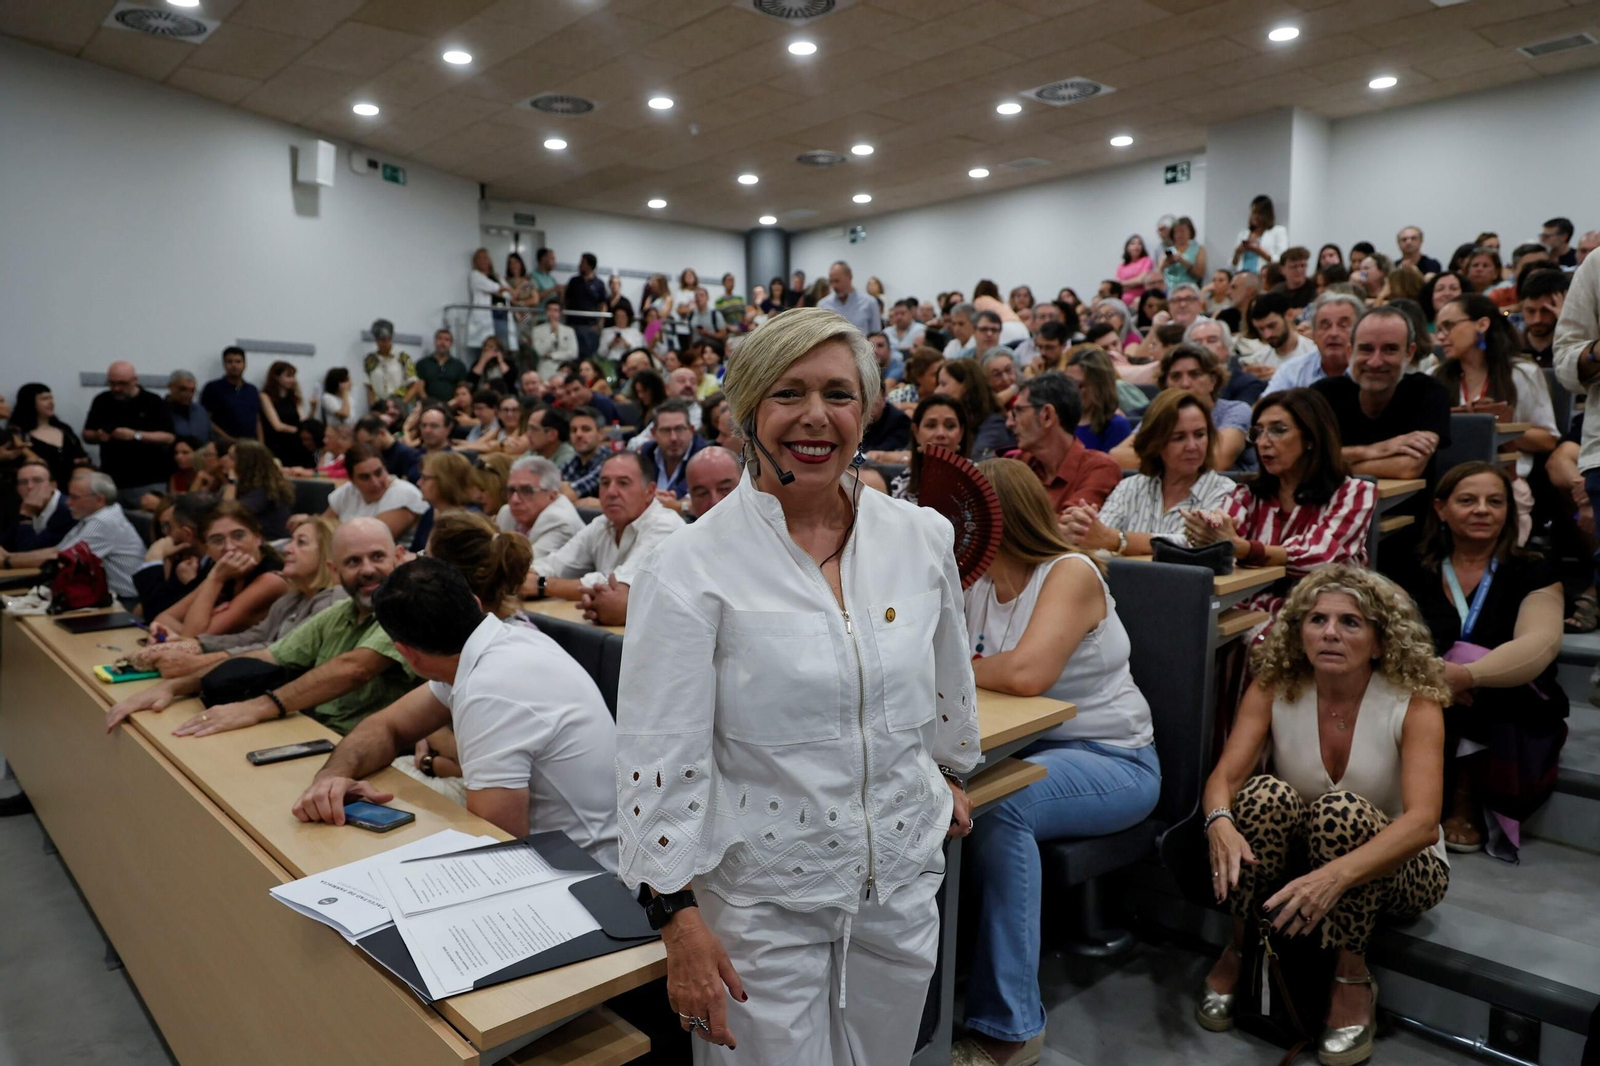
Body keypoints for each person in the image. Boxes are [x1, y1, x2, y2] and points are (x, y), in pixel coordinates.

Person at [613, 306, 979, 1063]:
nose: (816, 417)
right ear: (746, 411)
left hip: (900, 887)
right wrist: (676, 918)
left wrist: (944, 773)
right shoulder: (688, 566)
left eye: (839, 395)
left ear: (868, 410)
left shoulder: (920, 538)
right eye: (789, 393)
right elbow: (657, 749)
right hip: (760, 902)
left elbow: (946, 681)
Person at [1196, 566, 1448, 1066]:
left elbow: (1421, 823)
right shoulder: (1274, 687)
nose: (1330, 632)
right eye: (1317, 620)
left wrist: (1334, 876)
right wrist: (1219, 821)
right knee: (1264, 796)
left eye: (1350, 622)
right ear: (1300, 633)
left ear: (1379, 642)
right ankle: (1239, 947)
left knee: (1343, 811)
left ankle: (1351, 974)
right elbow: (1223, 777)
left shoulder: (1414, 701)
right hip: (1306, 863)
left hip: (1403, 870)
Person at [953, 457, 1160, 1066]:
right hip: (1027, 746)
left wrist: (950, 672)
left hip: (1114, 760)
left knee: (1001, 808)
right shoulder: (980, 583)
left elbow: (1026, 673)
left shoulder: (1069, 572)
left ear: (997, 518)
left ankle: (1011, 1027)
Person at [290, 554, 618, 864]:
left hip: (589, 883)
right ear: (473, 604)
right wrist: (332, 778)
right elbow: (387, 726)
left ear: (407, 653)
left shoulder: (489, 691)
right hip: (567, 856)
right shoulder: (495, 643)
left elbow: (497, 847)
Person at [1392, 462, 1567, 861]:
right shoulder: (1410, 564)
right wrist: (1436, 677)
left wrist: (1467, 675)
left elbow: (1540, 641)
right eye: (1467, 500)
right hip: (1425, 686)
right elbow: (1391, 633)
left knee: (1480, 671)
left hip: (1509, 697)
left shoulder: (1533, 568)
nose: (1483, 510)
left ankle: (1464, 801)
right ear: (1440, 508)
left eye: (1495, 502)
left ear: (1509, 511)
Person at [105, 518, 416, 739]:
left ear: (399, 556)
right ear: (335, 570)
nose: (368, 570)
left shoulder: (405, 608)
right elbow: (265, 655)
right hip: (308, 731)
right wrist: (172, 687)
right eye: (353, 561)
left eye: (377, 557)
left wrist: (255, 708)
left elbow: (354, 668)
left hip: (360, 748)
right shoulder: (338, 612)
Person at [1187, 389, 1377, 615]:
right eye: (1258, 432)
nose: (1263, 442)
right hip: (1255, 614)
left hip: (1322, 618)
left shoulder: (1354, 493)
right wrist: (1208, 531)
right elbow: (1224, 544)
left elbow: (1322, 558)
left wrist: (1244, 549)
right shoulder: (1245, 495)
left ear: (1310, 438)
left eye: (1278, 430)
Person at [127, 517, 346, 679]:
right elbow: (251, 637)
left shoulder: (329, 599)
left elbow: (274, 651)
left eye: (301, 542)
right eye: (217, 540)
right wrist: (185, 645)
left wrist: (193, 654)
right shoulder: (293, 597)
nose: (288, 549)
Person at [1436, 293, 1559, 541]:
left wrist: (1495, 429)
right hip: (1447, 483)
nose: (1441, 336)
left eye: (1449, 326)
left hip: (1505, 483)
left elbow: (1547, 439)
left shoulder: (1521, 374)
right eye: (1438, 329)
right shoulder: (1434, 376)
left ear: (1481, 324)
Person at [1064, 390, 1237, 556]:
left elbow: (1193, 547)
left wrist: (1116, 540)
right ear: (1156, 443)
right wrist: (1083, 527)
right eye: (1178, 437)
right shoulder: (1130, 487)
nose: (1192, 446)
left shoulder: (1227, 491)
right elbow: (1098, 537)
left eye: (1200, 435)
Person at [1313, 306, 1452, 486]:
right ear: (1350, 352)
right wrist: (1374, 451)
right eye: (1366, 349)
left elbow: (1407, 467)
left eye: (1390, 349)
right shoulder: (1323, 394)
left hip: (1400, 511)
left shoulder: (1428, 391)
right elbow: (1300, 459)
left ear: (1409, 353)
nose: (1375, 362)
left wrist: (1329, 465)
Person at [529, 451, 684, 601]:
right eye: (605, 483)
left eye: (623, 483)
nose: (611, 492)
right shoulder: (602, 523)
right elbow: (556, 564)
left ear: (649, 491)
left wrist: (542, 585)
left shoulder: (664, 525)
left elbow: (619, 588)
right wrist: (529, 575)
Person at [149, 502, 285, 639]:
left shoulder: (272, 580)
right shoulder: (223, 571)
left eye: (238, 536)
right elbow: (162, 618)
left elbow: (193, 639)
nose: (229, 547)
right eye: (217, 540)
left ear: (258, 538)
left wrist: (215, 580)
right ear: (207, 549)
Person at [1, 471, 144, 601]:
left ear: (99, 499)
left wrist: (8, 561)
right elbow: (56, 550)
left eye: (74, 497)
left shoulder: (104, 521)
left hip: (126, 601)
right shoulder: (92, 516)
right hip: (105, 596)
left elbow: (61, 558)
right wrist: (9, 556)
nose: (68, 502)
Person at [1008, 371, 1121, 511]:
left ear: (1047, 416)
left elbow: (1072, 527)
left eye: (1018, 411)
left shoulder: (1100, 468)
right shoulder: (1020, 464)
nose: (1010, 423)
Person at [83, 360, 176, 503]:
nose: (116, 388)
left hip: (148, 479)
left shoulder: (153, 401)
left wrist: (135, 435)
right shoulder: (102, 401)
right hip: (112, 479)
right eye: (112, 383)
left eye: (122, 383)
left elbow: (168, 437)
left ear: (134, 380)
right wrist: (98, 436)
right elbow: (87, 434)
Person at [129, 493, 212, 620]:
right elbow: (145, 610)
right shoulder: (181, 561)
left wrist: (154, 558)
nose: (165, 533)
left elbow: (156, 615)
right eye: (162, 526)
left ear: (187, 533)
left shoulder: (212, 566)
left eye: (169, 526)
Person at [1264, 292, 1366, 394]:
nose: (1333, 333)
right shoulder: (1291, 372)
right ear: (1313, 334)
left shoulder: (1371, 370)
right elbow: (1265, 407)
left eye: (1343, 325)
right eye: (1325, 326)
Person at [323, 443, 428, 541]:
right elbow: (322, 528)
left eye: (378, 473)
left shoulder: (404, 494)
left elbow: (369, 540)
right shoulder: (347, 491)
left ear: (385, 468)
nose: (375, 483)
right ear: (352, 479)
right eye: (365, 477)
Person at [887, 395, 969, 504]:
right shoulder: (899, 489)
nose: (941, 434)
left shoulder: (981, 480)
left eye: (950, 426)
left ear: (961, 433)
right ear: (916, 432)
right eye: (931, 426)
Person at [497, 453, 584, 555]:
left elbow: (526, 566)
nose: (515, 499)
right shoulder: (506, 513)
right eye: (511, 490)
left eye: (526, 491)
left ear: (552, 496)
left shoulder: (560, 522)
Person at [9, 383, 89, 488]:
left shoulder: (64, 429)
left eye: (51, 398)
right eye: (44, 399)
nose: (51, 402)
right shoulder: (20, 435)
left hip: (74, 487)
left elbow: (81, 454)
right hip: (40, 490)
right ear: (30, 402)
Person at [937, 358, 1014, 461]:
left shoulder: (994, 423)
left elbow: (975, 462)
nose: (936, 391)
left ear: (965, 386)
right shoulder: (950, 420)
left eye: (943, 384)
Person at [638, 399, 708, 507]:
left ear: (691, 430)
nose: (673, 438)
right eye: (665, 430)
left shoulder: (705, 456)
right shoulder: (647, 453)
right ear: (653, 433)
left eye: (679, 429)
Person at [1063, 347, 1131, 453]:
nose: (1071, 390)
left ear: (1100, 386)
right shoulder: (1060, 422)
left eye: (1078, 385)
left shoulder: (1116, 426)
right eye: (1067, 384)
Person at [411, 451, 480, 551]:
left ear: (445, 481)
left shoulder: (469, 522)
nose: (419, 482)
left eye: (425, 478)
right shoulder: (430, 512)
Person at [1, 460, 74, 554]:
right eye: (23, 482)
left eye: (37, 480)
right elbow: (6, 544)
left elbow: (30, 553)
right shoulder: (16, 506)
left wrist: (26, 517)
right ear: (17, 489)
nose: (30, 486)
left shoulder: (68, 510)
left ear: (53, 486)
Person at [227, 439, 293, 540]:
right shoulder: (246, 485)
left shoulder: (264, 490)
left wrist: (232, 482)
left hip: (271, 545)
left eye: (231, 458)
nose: (224, 460)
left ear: (245, 463)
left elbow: (227, 514)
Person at [1242, 291, 1318, 376]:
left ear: (1289, 315)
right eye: (1261, 329)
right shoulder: (1258, 360)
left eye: (1272, 326)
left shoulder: (1314, 354)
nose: (1267, 335)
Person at [202, 346, 262, 444]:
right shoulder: (213, 388)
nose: (234, 365)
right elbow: (206, 419)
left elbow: (258, 420)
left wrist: (260, 444)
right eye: (229, 361)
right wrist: (229, 439)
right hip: (224, 444)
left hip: (251, 445)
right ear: (224, 364)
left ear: (244, 364)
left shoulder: (252, 389)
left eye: (238, 361)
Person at [258, 360, 312, 468]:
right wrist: (299, 430)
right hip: (277, 444)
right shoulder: (265, 396)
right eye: (288, 376)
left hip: (296, 444)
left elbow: (303, 420)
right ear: (276, 377)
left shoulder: (294, 397)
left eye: (293, 376)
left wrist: (313, 409)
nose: (292, 380)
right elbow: (277, 426)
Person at [363, 318, 420, 409]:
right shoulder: (370, 359)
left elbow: (414, 384)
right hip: (380, 404)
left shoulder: (403, 357)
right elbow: (369, 387)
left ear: (391, 338)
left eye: (385, 339)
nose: (382, 343)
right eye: (379, 339)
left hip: (400, 402)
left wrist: (402, 404)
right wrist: (373, 407)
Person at [817, 259, 882, 335]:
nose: (834, 286)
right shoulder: (823, 305)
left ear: (850, 277)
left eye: (837, 281)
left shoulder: (870, 302)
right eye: (831, 281)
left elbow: (876, 335)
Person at [1519, 269, 1569, 365]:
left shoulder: (1570, 347)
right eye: (1530, 311)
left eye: (1546, 311)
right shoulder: (1510, 347)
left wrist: (1566, 318)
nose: (1538, 319)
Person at [353, 414, 420, 483]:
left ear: (382, 433)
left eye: (370, 443)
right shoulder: (374, 456)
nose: (367, 448)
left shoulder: (409, 455)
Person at [565, 252, 608, 356]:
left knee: (589, 356)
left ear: (590, 265)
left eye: (583, 263)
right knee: (572, 354)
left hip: (591, 326)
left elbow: (603, 304)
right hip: (573, 325)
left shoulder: (599, 283)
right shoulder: (574, 281)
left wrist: (600, 324)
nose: (580, 265)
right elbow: (566, 300)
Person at [1232, 194, 1288, 274]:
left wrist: (1259, 251)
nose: (1255, 216)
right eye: (1253, 213)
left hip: (1265, 276)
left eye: (1259, 213)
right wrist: (1237, 252)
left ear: (1267, 214)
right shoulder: (1244, 234)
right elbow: (1233, 264)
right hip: (1243, 275)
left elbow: (1282, 260)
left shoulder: (1278, 231)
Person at [529, 299, 580, 378]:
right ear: (546, 312)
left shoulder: (569, 331)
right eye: (550, 310)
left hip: (564, 369)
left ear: (560, 313)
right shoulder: (537, 330)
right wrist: (553, 334)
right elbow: (540, 351)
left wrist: (552, 355)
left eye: (555, 310)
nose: (552, 313)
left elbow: (573, 353)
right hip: (545, 369)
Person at [417, 327, 470, 403]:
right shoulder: (422, 364)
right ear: (435, 341)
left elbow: (461, 389)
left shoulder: (459, 366)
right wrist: (427, 403)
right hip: (427, 406)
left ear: (451, 344)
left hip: (452, 407)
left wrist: (452, 404)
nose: (442, 343)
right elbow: (419, 388)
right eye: (439, 339)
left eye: (446, 340)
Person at [1162, 216, 1206, 293]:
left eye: (1182, 231)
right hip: (1169, 289)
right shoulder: (1168, 250)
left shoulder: (1199, 249)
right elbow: (1159, 270)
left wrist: (1183, 261)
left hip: (1189, 288)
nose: (1179, 234)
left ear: (1190, 232)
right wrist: (1167, 262)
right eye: (1176, 231)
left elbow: (1200, 274)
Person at [164, 371, 211, 442]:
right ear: (170, 387)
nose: (188, 394)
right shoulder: (159, 410)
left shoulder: (200, 411)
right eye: (183, 389)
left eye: (192, 390)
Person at [1116, 234, 1156, 305]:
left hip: (1139, 299)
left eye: (1139, 244)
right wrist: (1133, 283)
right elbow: (1117, 285)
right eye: (1133, 243)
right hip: (1122, 300)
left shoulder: (1146, 260)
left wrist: (1123, 283)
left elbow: (1141, 280)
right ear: (1127, 247)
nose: (1136, 246)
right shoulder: (1122, 266)